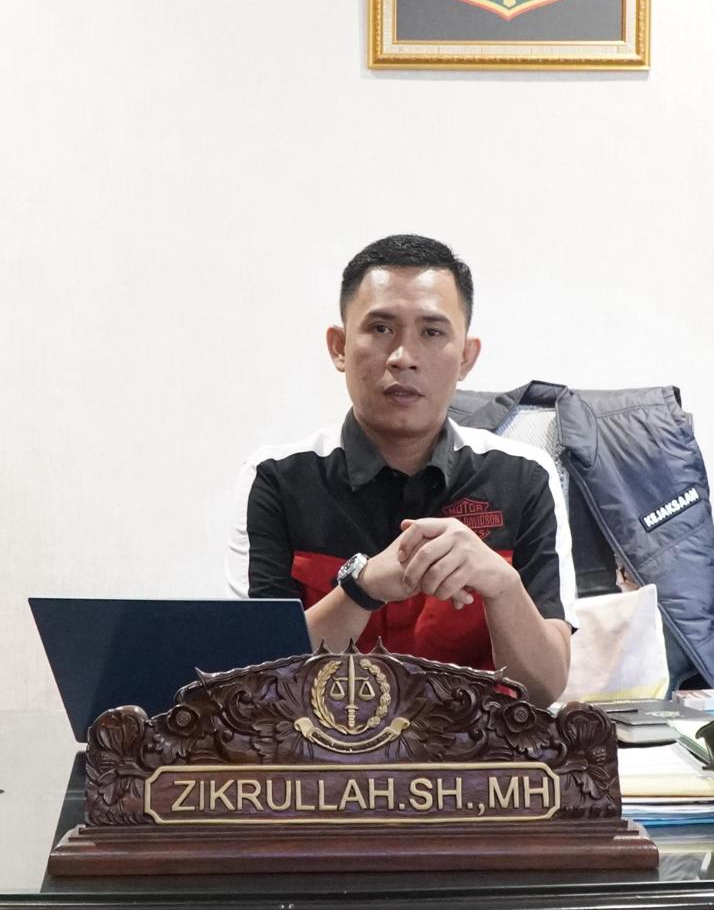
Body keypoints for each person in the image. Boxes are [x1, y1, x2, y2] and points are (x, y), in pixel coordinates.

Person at [227, 234, 575, 706]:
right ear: (339, 347)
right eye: (380, 328)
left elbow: (544, 689)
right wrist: (362, 588)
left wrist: (502, 586)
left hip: (477, 749)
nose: (403, 357)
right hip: (318, 748)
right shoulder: (276, 479)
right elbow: (255, 685)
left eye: (432, 332)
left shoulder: (524, 478)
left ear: (466, 356)